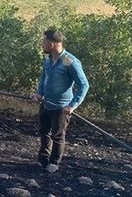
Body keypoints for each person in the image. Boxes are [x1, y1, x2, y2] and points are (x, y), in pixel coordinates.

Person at [31, 29, 89, 173]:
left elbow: (84, 85)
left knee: (57, 136)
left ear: (51, 44)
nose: (42, 44)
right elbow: (44, 78)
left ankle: (54, 162)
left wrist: (73, 105)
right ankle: (43, 160)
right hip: (46, 103)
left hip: (61, 107)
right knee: (44, 132)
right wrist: (39, 94)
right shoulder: (48, 59)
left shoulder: (69, 61)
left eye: (44, 41)